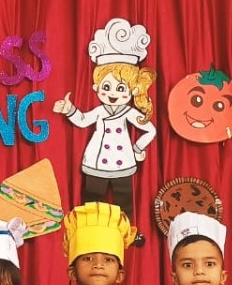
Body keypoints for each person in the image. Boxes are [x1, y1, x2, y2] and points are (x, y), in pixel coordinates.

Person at [53, 17, 157, 235]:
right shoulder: (100, 111)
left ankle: (127, 233)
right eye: (107, 87)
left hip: (123, 162)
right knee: (92, 199)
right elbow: (83, 120)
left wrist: (137, 148)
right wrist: (69, 109)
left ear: (132, 91)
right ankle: (88, 232)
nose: (113, 94)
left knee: (123, 200)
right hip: (96, 162)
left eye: (121, 89)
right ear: (96, 87)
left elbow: (150, 130)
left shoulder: (129, 112)